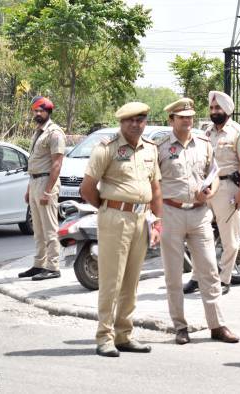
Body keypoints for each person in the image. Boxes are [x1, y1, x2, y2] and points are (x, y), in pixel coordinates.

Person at [80, 102, 162, 357]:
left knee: (131, 281)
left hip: (141, 219)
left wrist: (158, 221)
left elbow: (156, 188)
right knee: (111, 281)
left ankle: (124, 334)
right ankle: (104, 337)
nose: (136, 124)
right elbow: (87, 188)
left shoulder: (150, 149)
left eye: (141, 120)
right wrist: (109, 207)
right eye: (130, 120)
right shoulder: (107, 149)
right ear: (121, 122)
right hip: (115, 218)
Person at [158, 98, 239, 345]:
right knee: (173, 275)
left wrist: (211, 192)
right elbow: (152, 182)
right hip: (170, 213)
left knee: (209, 271)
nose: (187, 120)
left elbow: (213, 175)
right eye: (182, 117)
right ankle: (180, 327)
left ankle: (217, 325)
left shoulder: (204, 143)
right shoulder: (159, 146)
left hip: (199, 214)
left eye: (190, 116)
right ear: (171, 119)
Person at [183, 91, 240, 295]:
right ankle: (197, 276)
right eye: (212, 108)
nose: (214, 111)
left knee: (229, 238)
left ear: (227, 110)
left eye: (218, 108)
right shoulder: (206, 133)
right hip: (205, 188)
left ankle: (224, 279)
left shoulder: (238, 132)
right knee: (197, 234)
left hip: (227, 188)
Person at [18, 96, 65, 281]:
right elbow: (34, 163)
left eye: (41, 111)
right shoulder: (38, 132)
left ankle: (53, 267)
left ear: (48, 112)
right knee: (37, 229)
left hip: (47, 183)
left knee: (50, 228)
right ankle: (39, 264)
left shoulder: (54, 133)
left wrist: (47, 191)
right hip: (35, 181)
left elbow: (56, 164)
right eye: (35, 111)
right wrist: (30, 189)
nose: (37, 114)